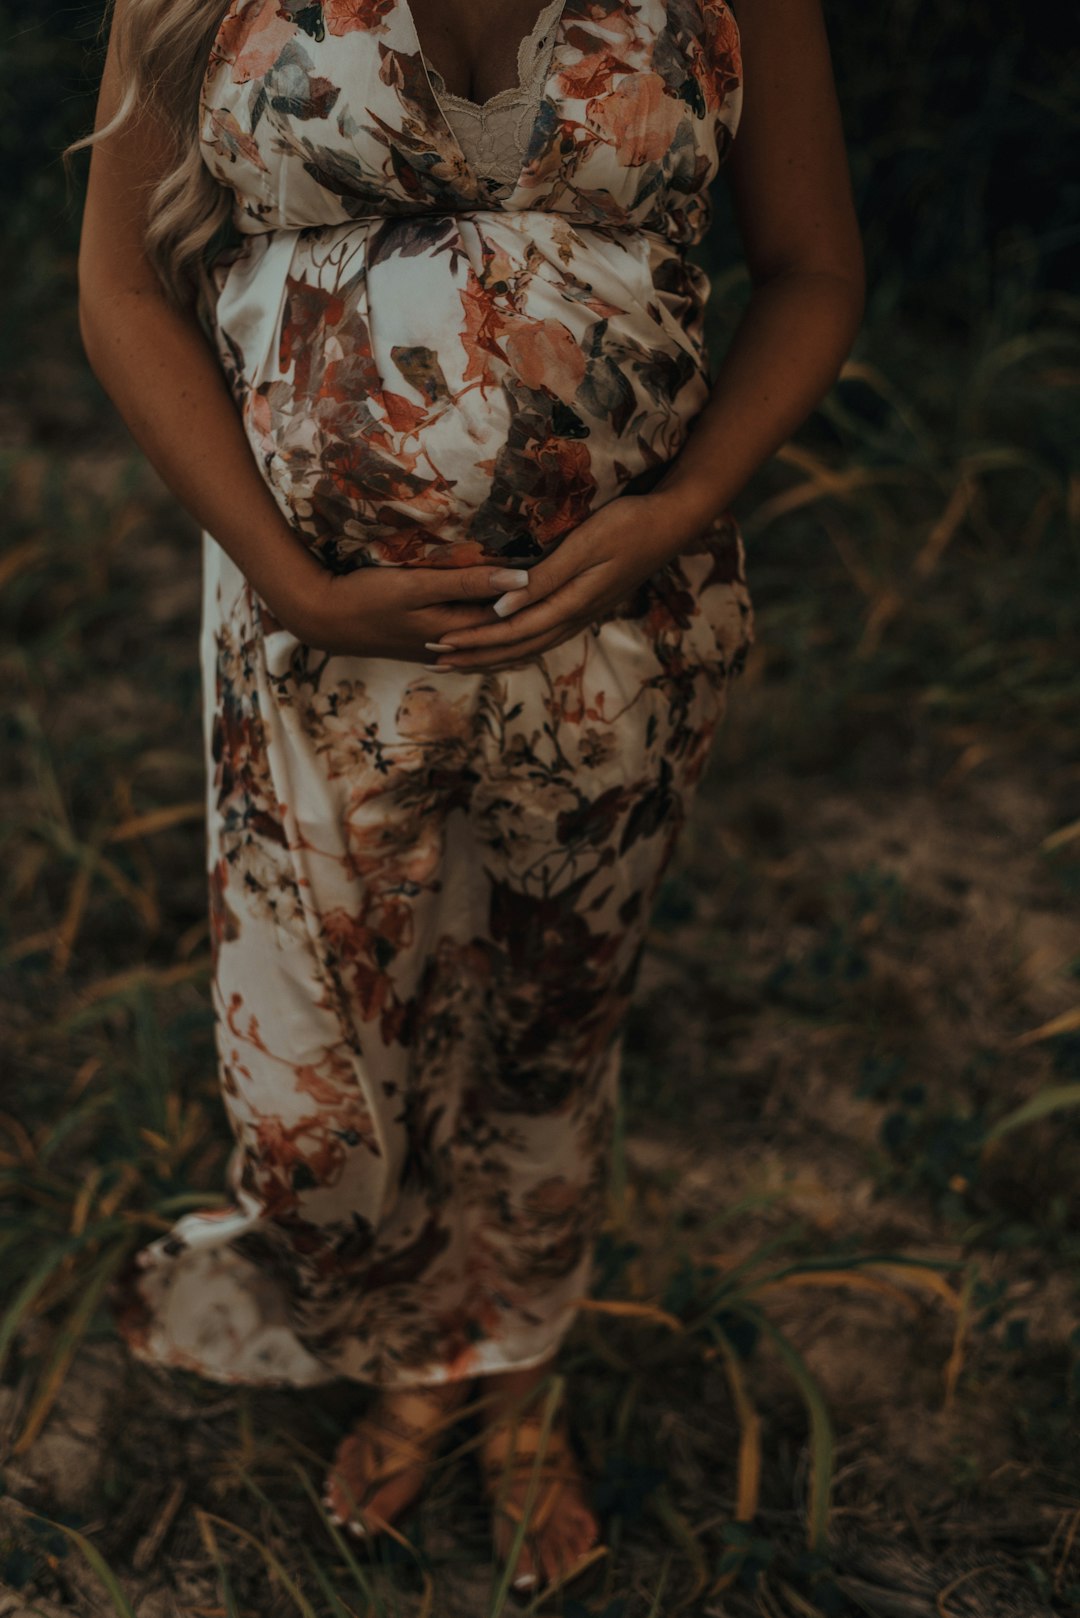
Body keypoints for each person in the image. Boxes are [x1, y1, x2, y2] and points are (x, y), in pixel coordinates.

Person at [71, 0, 864, 1594]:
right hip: (317, 644)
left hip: (621, 631)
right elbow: (116, 285)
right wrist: (291, 582)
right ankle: (404, 1320)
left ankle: (493, 1379)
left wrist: (686, 505)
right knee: (316, 1093)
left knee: (547, 1025)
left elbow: (818, 270)